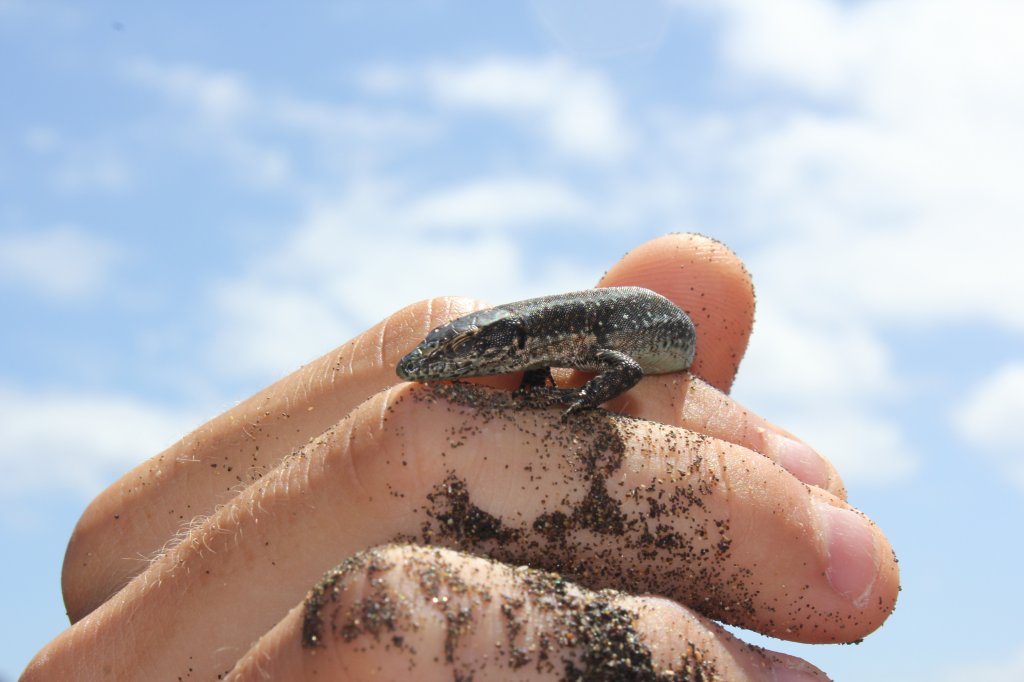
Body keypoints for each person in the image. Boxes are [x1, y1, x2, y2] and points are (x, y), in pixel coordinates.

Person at [22, 234, 898, 680]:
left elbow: (631, 367)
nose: (438, 368)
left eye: (475, 350)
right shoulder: (555, 345)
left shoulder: (599, 344)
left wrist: (578, 407)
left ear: (517, 343)